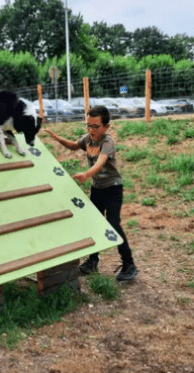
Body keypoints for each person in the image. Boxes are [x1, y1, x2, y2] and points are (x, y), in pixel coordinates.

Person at [43, 105, 138, 285]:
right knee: (93, 223)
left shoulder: (107, 142)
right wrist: (56, 137)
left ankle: (129, 264)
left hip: (112, 188)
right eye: (88, 126)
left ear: (106, 127)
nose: (91, 130)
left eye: (95, 126)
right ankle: (92, 262)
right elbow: (73, 145)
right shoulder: (88, 139)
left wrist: (86, 175)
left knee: (113, 224)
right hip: (97, 188)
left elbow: (100, 163)